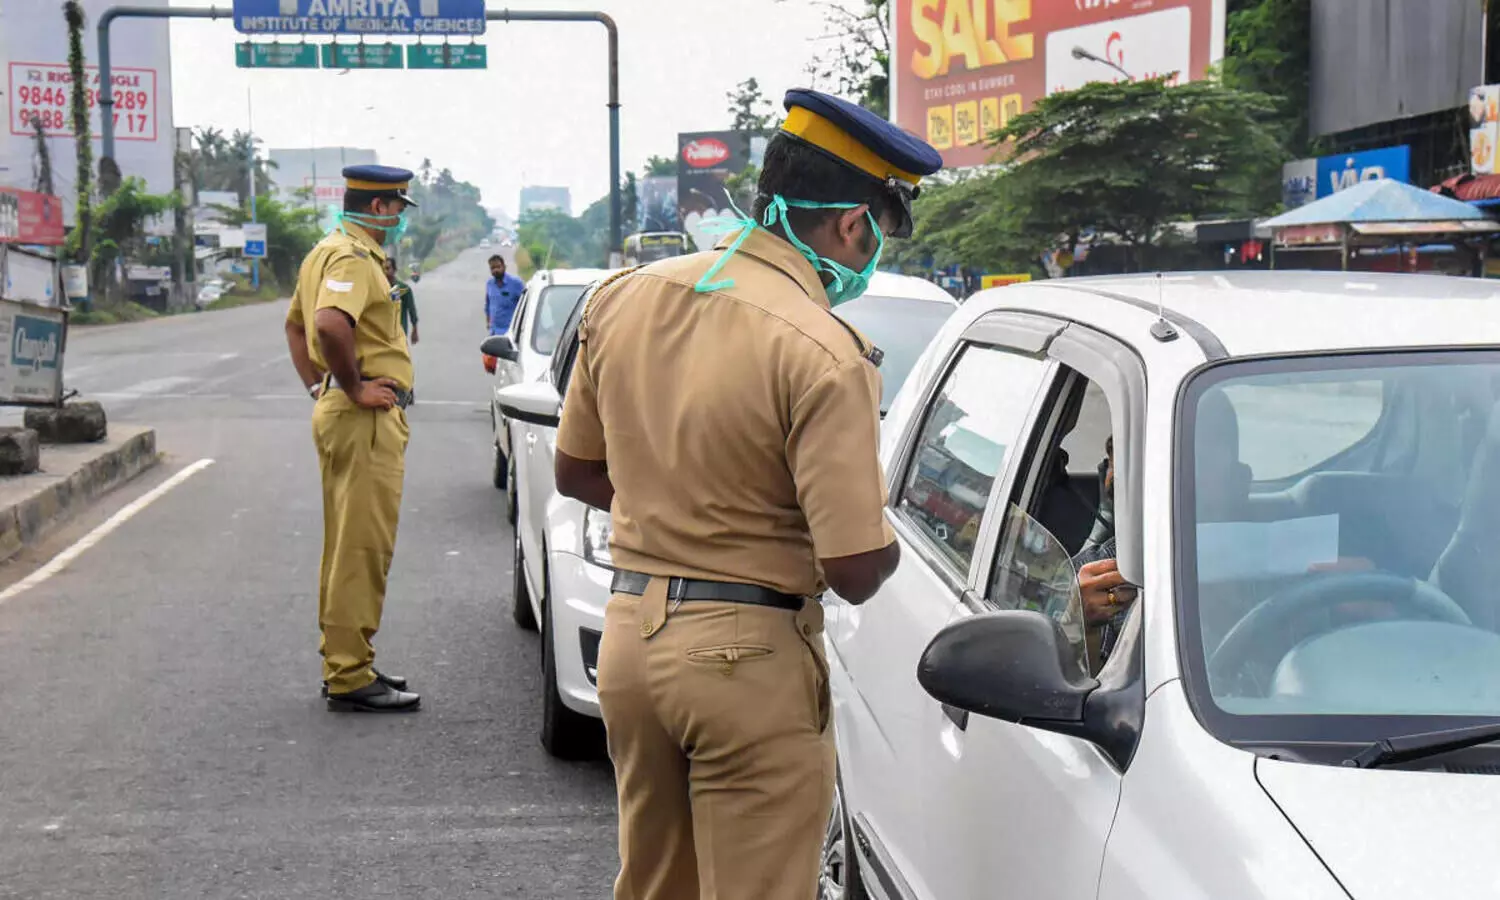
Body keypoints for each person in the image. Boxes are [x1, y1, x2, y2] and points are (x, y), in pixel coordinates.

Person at [553, 88, 941, 900]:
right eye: (878, 232)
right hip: (745, 662)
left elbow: (575, 472)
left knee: (658, 883)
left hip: (631, 643)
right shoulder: (827, 351)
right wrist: (904, 522)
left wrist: (680, 504)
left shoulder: (624, 298)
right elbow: (855, 567)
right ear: (849, 227)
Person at [283, 164, 420, 713]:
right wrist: (352, 387)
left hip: (346, 412)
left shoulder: (324, 252)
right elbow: (327, 325)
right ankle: (348, 674)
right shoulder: (351, 258)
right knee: (361, 548)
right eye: (398, 209)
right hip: (363, 420)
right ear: (382, 208)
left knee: (347, 544)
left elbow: (295, 325)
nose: (399, 220)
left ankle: (347, 659)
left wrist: (320, 386)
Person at [384, 257, 419, 405]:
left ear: (394, 269)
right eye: (383, 268)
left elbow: (411, 310)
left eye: (388, 268)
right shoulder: (378, 286)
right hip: (382, 332)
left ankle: (408, 390)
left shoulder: (402, 288)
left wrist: (415, 329)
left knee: (402, 361)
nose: (386, 271)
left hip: (399, 331)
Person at [485, 253, 524, 336]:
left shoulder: (516, 283)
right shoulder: (490, 284)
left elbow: (525, 304)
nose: (495, 270)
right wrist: (488, 322)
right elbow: (488, 304)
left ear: (504, 267)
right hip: (494, 331)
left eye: (498, 267)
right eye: (492, 268)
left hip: (510, 332)